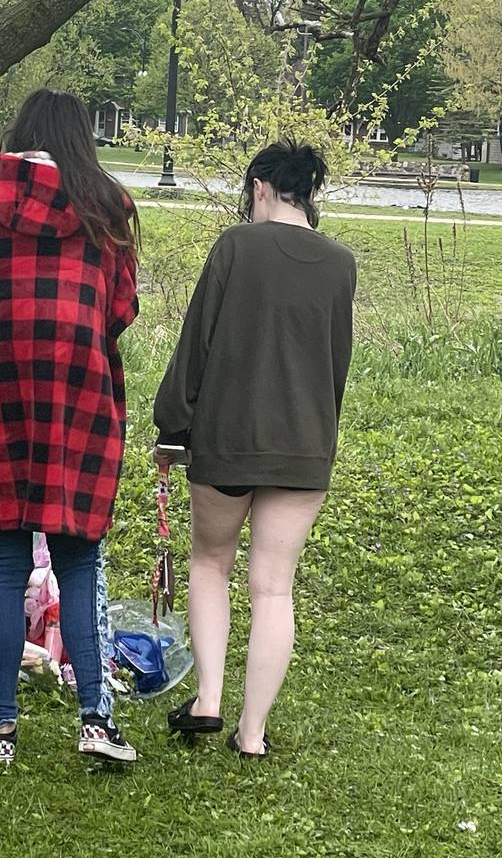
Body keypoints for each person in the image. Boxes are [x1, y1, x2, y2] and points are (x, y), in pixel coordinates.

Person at [0, 89, 140, 767]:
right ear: (82, 140)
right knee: (80, 558)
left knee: (1, 562)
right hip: (74, 389)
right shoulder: (106, 209)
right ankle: (96, 722)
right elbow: (120, 308)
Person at [154, 139, 357, 758]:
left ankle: (209, 698)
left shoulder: (235, 246)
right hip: (303, 444)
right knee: (274, 586)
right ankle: (253, 732)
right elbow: (335, 363)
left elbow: (198, 342)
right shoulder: (341, 263)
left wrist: (172, 425)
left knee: (211, 561)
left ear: (260, 189)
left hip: (228, 437)